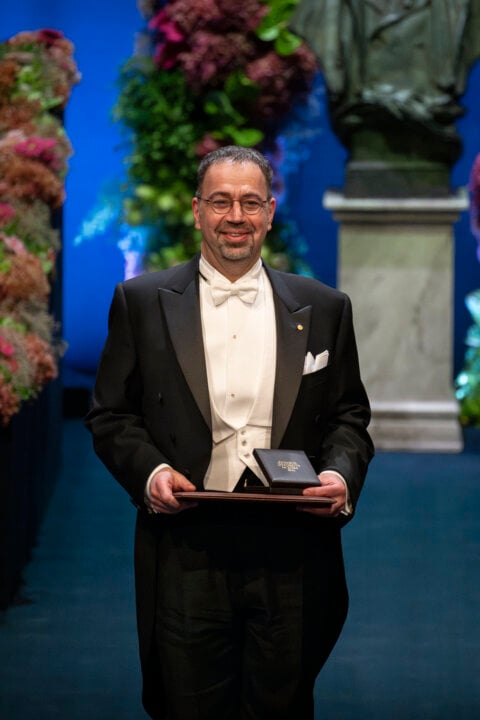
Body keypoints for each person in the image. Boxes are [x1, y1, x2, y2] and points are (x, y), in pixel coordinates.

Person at [85, 145, 374, 720]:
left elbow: (349, 416)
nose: (234, 217)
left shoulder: (324, 306)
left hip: (292, 541)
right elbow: (111, 414)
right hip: (189, 539)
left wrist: (341, 474)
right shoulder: (141, 302)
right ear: (196, 211)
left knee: (282, 705)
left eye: (249, 203)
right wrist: (151, 472)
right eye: (220, 202)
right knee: (188, 704)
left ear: (269, 212)